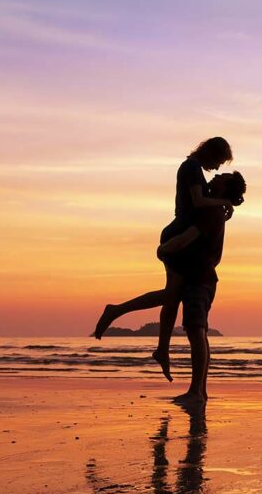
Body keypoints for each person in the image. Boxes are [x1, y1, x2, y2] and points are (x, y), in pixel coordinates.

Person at [93, 137, 236, 376]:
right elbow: (198, 201)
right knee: (172, 294)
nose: (218, 168)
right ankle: (117, 311)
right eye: (219, 161)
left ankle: (161, 348)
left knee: (172, 296)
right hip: (178, 235)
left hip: (180, 234)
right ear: (210, 153)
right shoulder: (191, 167)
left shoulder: (194, 169)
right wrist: (225, 202)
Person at [172, 172, 245, 405]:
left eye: (221, 177)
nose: (215, 177)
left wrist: (163, 249)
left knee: (196, 331)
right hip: (203, 277)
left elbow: (187, 238)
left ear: (225, 188)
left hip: (199, 277)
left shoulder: (211, 212)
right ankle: (200, 391)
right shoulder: (215, 209)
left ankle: (196, 391)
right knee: (199, 332)